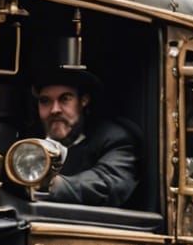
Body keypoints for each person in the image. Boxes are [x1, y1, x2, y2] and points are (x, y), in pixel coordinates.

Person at [29, 67, 142, 206]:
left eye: (65, 99)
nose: (54, 110)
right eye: (45, 101)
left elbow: (107, 184)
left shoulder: (114, 139)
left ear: (83, 100)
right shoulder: (25, 141)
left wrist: (47, 184)